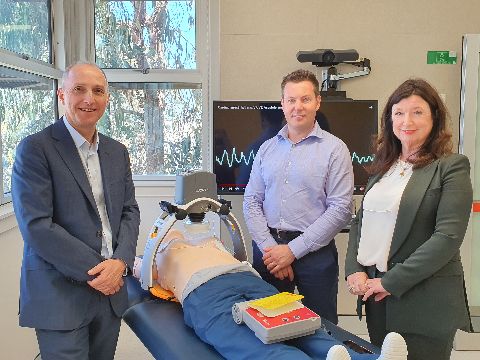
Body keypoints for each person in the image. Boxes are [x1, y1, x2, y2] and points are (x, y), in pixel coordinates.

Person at [12, 61, 140, 360]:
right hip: (61, 292)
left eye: (98, 91)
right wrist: (102, 270)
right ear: (62, 95)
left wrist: (120, 262)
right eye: (79, 89)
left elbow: (129, 211)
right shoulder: (35, 149)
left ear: (107, 98)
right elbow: (37, 226)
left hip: (110, 293)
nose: (89, 99)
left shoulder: (117, 151)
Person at [133, 223, 407, 360]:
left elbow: (140, 273)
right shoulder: (182, 248)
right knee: (275, 336)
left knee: (289, 331)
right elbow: (138, 273)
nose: (182, 232)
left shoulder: (180, 248)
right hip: (222, 285)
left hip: (230, 285)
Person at [345, 78, 473, 360]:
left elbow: (447, 238)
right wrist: (354, 268)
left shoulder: (451, 167)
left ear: (434, 117)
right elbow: (360, 222)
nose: (407, 121)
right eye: (399, 112)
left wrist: (391, 281)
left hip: (424, 298)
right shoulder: (384, 167)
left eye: (417, 112)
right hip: (378, 297)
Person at [243, 69, 354, 324]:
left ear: (317, 101)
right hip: (268, 251)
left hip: (314, 254)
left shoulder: (335, 150)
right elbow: (251, 201)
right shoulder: (266, 148)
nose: (297, 107)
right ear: (282, 104)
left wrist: (292, 251)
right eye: (291, 100)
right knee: (267, 327)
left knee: (321, 328)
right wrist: (273, 251)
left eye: (305, 99)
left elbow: (340, 209)